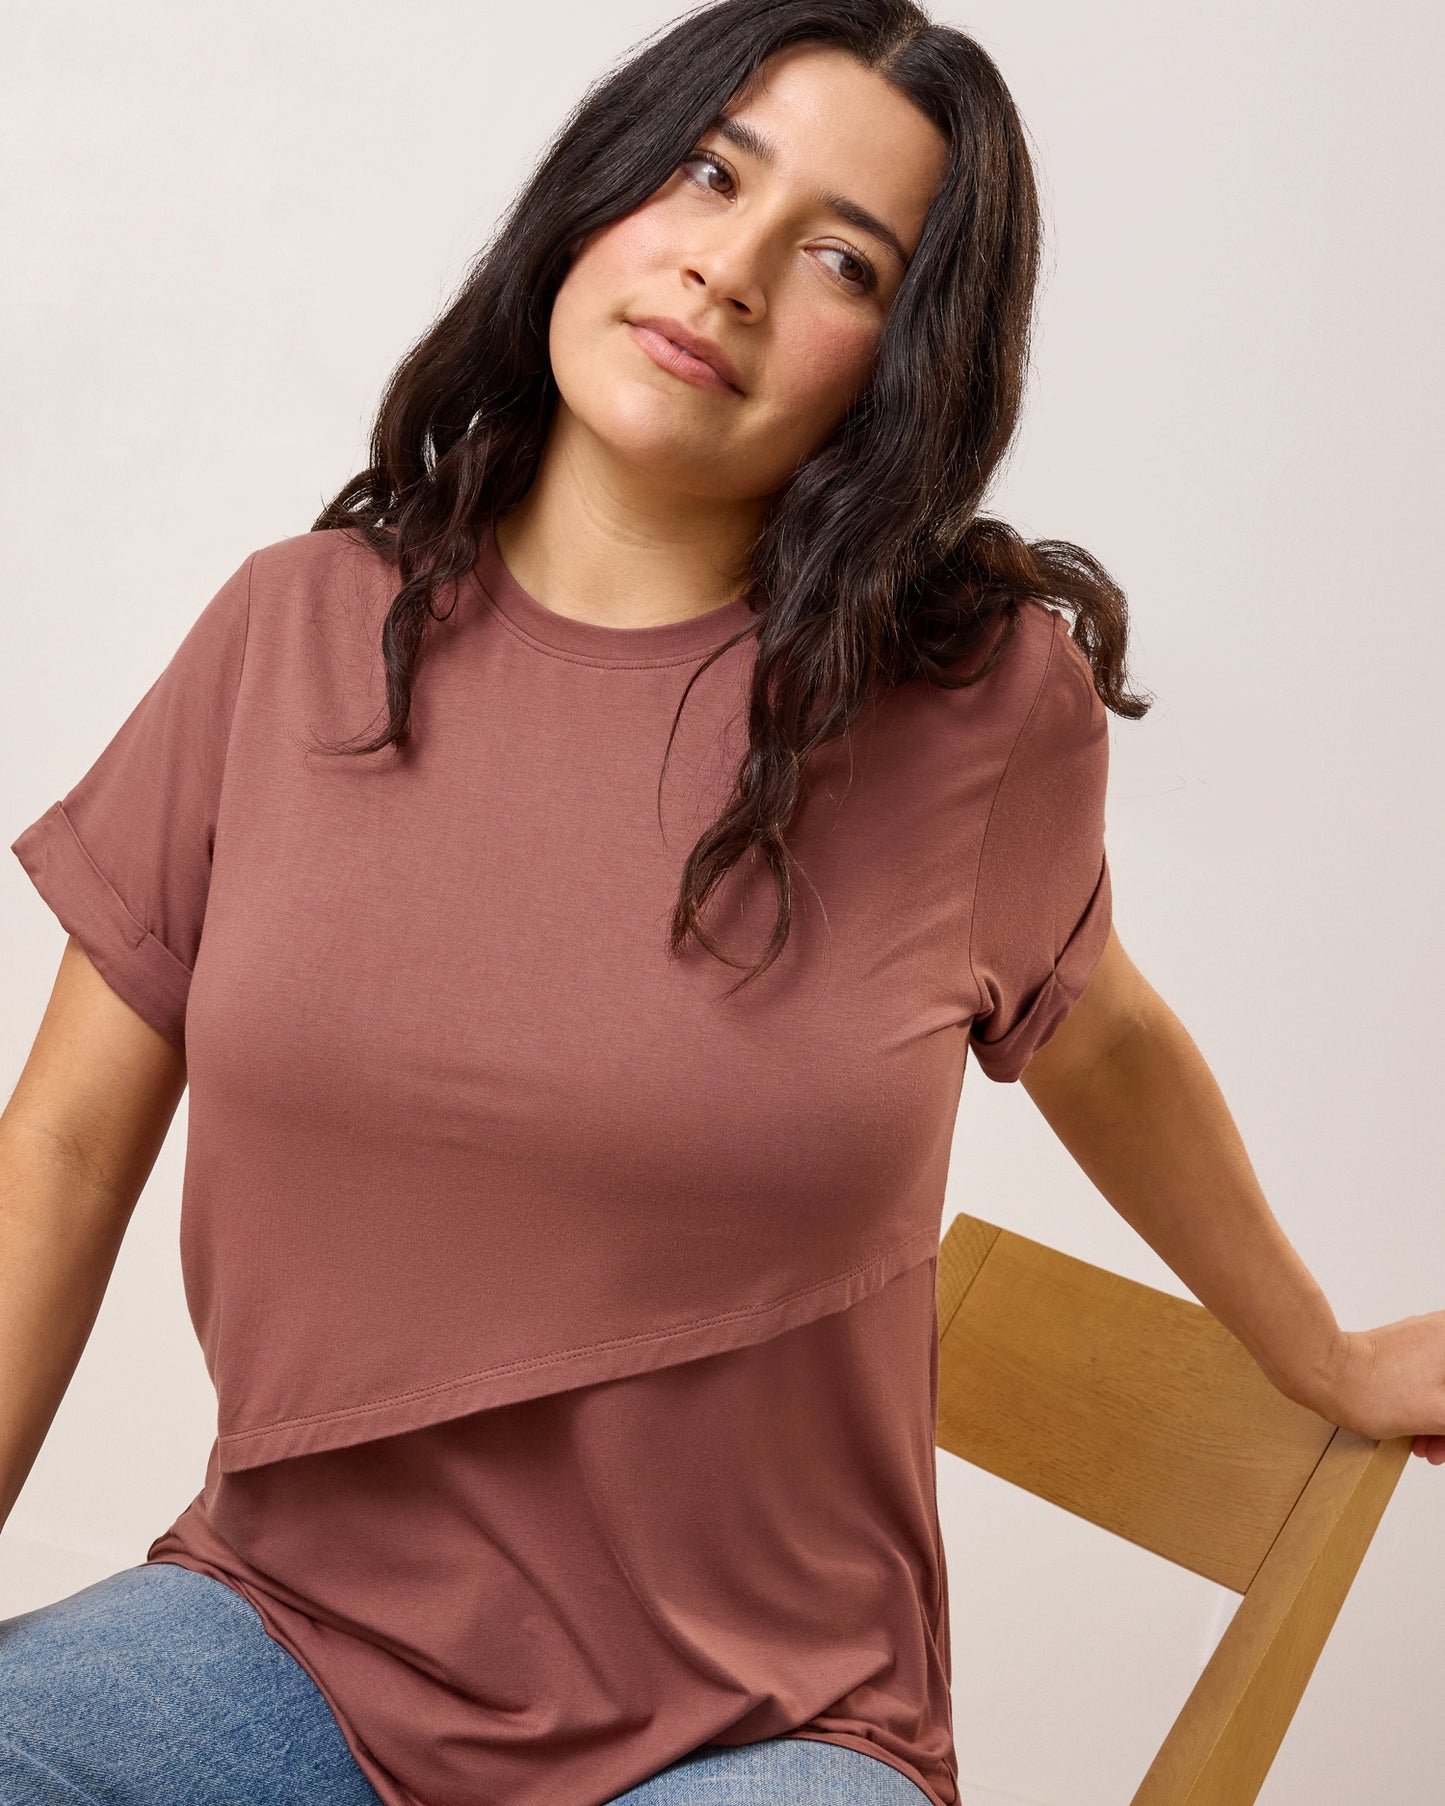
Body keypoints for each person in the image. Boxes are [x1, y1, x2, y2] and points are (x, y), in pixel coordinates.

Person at [4, 2, 1444, 1803]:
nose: (730, 270)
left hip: (756, 1727)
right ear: (600, 194)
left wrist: (1314, 1347)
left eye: (839, 255)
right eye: (705, 172)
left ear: (899, 360)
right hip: (290, 1635)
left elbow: (1101, 1020)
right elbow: (57, 1152)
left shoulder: (976, 710)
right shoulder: (288, 632)